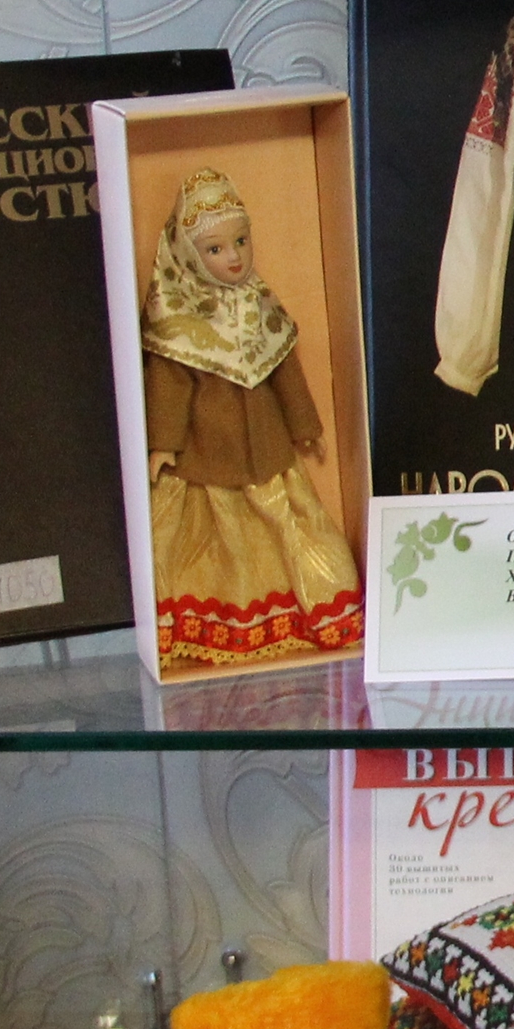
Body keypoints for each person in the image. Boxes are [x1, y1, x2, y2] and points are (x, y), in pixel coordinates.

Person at [141, 169, 361, 666]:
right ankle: (223, 622)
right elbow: (170, 386)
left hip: (266, 449)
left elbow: (284, 371)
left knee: (285, 526)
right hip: (206, 456)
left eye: (241, 241)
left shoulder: (259, 302)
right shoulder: (175, 318)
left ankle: (305, 612)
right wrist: (164, 443)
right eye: (215, 249)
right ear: (187, 255)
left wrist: (305, 426)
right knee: (214, 543)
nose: (235, 257)